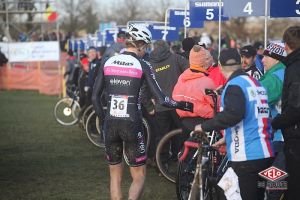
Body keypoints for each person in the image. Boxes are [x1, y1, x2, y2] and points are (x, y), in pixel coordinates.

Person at [92, 23, 193, 200]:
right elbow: (162, 99)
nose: (145, 50)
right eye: (145, 46)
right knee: (139, 176)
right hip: (132, 122)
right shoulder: (143, 65)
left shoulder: (107, 61)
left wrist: (104, 123)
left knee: (115, 176)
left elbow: (95, 98)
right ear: (139, 44)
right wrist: (184, 105)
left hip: (110, 124)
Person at [194, 48, 274, 200]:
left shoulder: (234, 85)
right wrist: (227, 137)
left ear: (219, 65)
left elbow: (234, 114)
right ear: (239, 63)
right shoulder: (255, 82)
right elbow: (256, 115)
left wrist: (203, 126)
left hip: (247, 156)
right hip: (264, 152)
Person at [271, 26, 300, 200]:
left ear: (286, 45)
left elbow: (295, 107)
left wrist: (274, 124)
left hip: (296, 135)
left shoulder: (294, 67)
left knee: (294, 186)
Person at [149, 39, 188, 165]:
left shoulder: (149, 64)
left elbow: (144, 87)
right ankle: (180, 159)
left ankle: (161, 163)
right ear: (167, 47)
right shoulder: (176, 58)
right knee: (180, 133)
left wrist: (149, 105)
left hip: (161, 106)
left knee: (162, 136)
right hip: (177, 104)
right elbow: (190, 72)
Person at [260, 42, 286, 200]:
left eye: (266, 56)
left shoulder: (277, 76)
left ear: (276, 58)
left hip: (282, 138)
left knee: (273, 181)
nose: (262, 60)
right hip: (279, 136)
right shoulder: (279, 72)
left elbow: (256, 96)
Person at [172, 45, 217, 132]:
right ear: (203, 62)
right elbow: (215, 104)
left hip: (183, 120)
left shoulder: (182, 77)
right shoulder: (206, 82)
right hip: (204, 121)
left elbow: (175, 96)